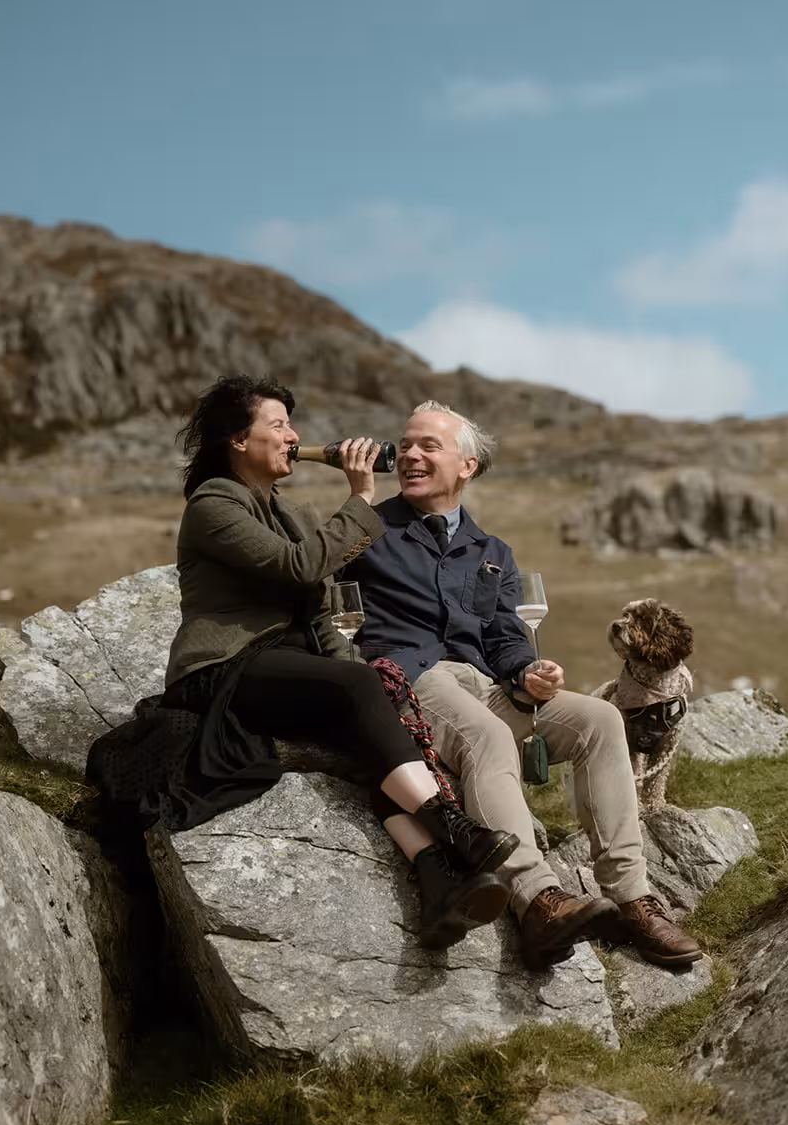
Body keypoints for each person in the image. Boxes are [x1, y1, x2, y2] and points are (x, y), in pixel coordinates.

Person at [92, 374, 520, 953]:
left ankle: (437, 882)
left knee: (375, 725)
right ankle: (454, 826)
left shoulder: (290, 511)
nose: (294, 436)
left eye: (292, 425)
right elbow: (299, 566)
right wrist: (363, 497)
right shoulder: (215, 502)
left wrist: (376, 688)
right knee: (356, 688)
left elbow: (321, 609)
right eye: (279, 425)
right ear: (239, 441)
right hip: (227, 668)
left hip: (286, 670)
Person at [345, 400, 704, 973]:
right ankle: (538, 899)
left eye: (428, 446)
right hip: (411, 680)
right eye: (406, 444)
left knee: (599, 719)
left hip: (483, 684)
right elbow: (318, 578)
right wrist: (358, 500)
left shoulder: (492, 554)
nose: (409, 454)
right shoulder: (367, 528)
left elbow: (506, 637)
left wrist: (528, 673)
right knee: (486, 734)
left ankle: (632, 897)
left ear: (467, 465)